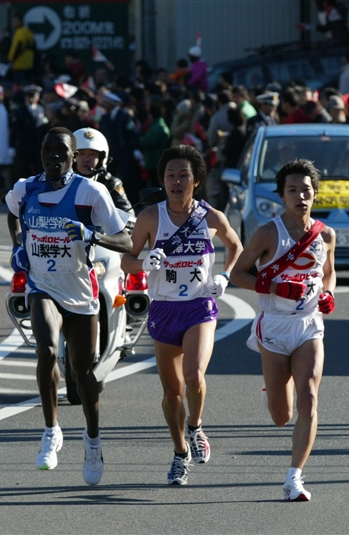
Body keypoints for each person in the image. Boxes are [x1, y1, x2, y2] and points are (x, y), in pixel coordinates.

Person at [5, 127, 132, 483]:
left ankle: (92, 438)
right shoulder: (25, 188)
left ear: (74, 156)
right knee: (45, 351)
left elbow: (125, 238)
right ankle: (50, 432)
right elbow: (12, 212)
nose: (53, 156)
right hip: (42, 286)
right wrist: (18, 244)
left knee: (82, 373)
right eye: (48, 149)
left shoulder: (91, 192)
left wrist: (92, 234)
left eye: (61, 150)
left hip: (79, 292)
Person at [121, 145, 242, 485]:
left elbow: (236, 246)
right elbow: (126, 260)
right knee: (172, 394)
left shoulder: (211, 217)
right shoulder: (150, 217)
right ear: (163, 180)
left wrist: (225, 275)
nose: (176, 182)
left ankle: (196, 426)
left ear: (197, 181)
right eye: (170, 175)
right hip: (164, 308)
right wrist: (144, 263)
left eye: (183, 176)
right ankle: (179, 453)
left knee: (193, 376)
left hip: (199, 307)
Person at [229, 158, 336, 501]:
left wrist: (329, 294)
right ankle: (274, 393)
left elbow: (329, 273)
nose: (300, 196)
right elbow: (237, 274)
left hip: (308, 327)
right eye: (292, 190)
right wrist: (275, 288)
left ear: (315, 194)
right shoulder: (267, 233)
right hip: (274, 326)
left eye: (306, 190)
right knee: (281, 415)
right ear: (282, 196)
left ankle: (294, 478)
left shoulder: (326, 235)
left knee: (309, 397)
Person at [72, 127, 134, 215]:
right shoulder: (63, 183)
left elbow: (128, 215)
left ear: (101, 158)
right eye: (81, 154)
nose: (86, 159)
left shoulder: (111, 183)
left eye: (92, 154)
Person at [12, 85, 48, 180]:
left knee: (39, 170)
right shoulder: (19, 110)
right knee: (24, 171)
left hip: (38, 145)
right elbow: (15, 129)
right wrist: (12, 145)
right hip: (25, 145)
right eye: (29, 96)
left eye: (34, 96)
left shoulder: (41, 109)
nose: (31, 99)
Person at [8, 14, 35, 86]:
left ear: (20, 22)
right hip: (29, 64)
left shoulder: (20, 32)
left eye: (15, 21)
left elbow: (17, 48)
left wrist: (11, 60)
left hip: (19, 65)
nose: (13, 23)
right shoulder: (29, 32)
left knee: (19, 85)